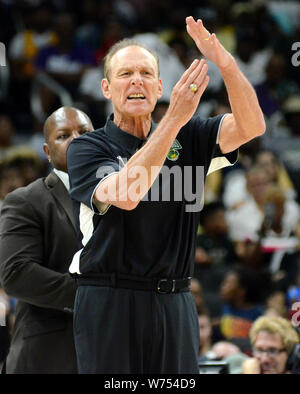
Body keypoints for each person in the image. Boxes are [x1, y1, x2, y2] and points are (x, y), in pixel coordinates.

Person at [67, 16, 265, 374]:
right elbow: (127, 194)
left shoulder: (192, 136)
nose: (137, 81)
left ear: (160, 86)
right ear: (107, 88)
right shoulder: (86, 148)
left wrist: (225, 62)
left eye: (145, 73)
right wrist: (173, 120)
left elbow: (252, 124)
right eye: (125, 74)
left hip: (176, 299)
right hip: (110, 298)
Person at [0, 107, 93, 374]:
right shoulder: (26, 200)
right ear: (47, 151)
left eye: (84, 132)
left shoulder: (119, 196)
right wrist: (91, 296)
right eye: (63, 135)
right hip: (48, 352)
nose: (76, 139)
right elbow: (16, 273)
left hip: (110, 346)